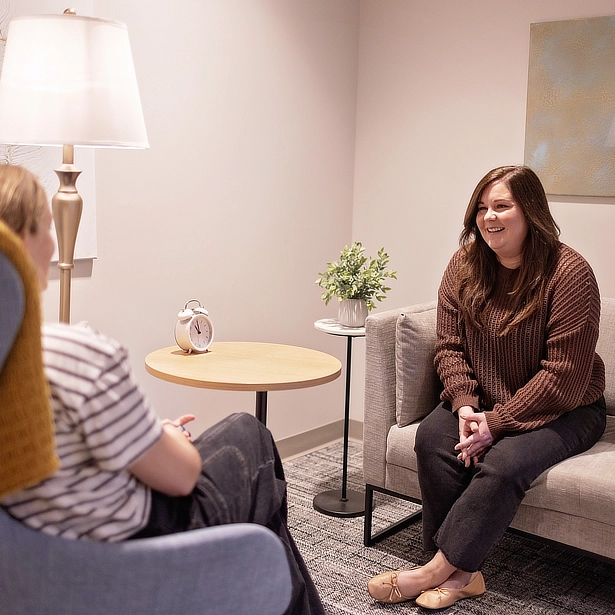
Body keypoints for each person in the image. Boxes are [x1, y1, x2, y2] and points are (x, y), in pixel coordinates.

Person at [0, 164, 325, 615]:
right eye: (48, 226)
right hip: (136, 541)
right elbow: (181, 476)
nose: (54, 243)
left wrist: (141, 435)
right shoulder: (72, 353)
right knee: (251, 436)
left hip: (49, 551)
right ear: (27, 238)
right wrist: (166, 438)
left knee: (264, 506)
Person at [367, 165, 606, 610]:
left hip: (567, 407)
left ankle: (436, 571)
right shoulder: (464, 264)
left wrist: (496, 424)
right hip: (483, 402)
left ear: (530, 211)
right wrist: (463, 405)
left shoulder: (569, 273)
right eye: (481, 207)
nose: (488, 217)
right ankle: (468, 574)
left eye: (501, 206)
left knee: (504, 463)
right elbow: (450, 346)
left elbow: (564, 373)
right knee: (432, 442)